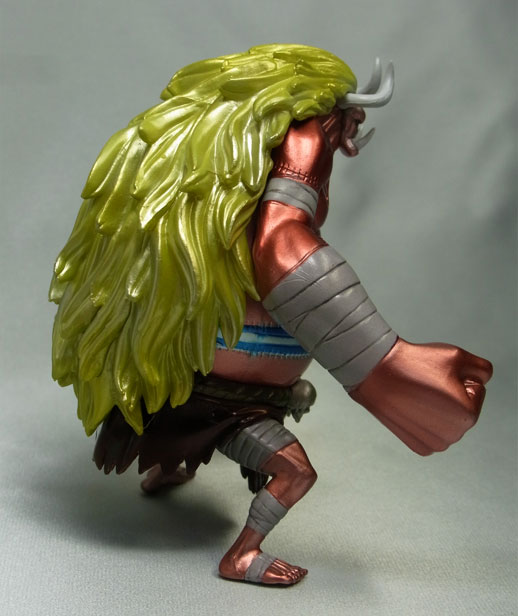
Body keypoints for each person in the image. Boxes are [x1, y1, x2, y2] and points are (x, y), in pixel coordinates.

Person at [49, 44, 492, 586]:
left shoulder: (245, 149)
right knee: (295, 472)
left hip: (207, 375)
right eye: (349, 118)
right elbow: (280, 239)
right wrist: (386, 362)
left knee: (221, 402)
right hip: (227, 389)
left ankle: (164, 469)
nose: (352, 130)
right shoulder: (308, 132)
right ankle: (241, 556)